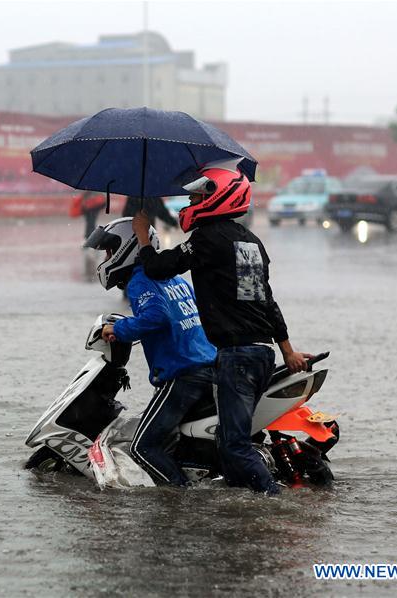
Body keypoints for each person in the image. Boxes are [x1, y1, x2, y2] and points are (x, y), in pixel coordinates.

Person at [131, 159, 311, 495]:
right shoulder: (253, 242)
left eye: (197, 198)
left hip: (236, 357)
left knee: (234, 447)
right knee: (231, 451)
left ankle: (278, 505)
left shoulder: (207, 239)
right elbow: (267, 300)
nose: (190, 204)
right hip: (262, 354)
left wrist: (143, 238)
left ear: (220, 198)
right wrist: (287, 350)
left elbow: (159, 268)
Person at [84, 217, 216, 487]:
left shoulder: (140, 280)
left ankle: (180, 497)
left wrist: (118, 330)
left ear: (126, 249)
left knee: (143, 447)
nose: (107, 258)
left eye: (110, 251)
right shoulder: (173, 278)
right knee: (169, 441)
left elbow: (157, 317)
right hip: (207, 367)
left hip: (183, 376)